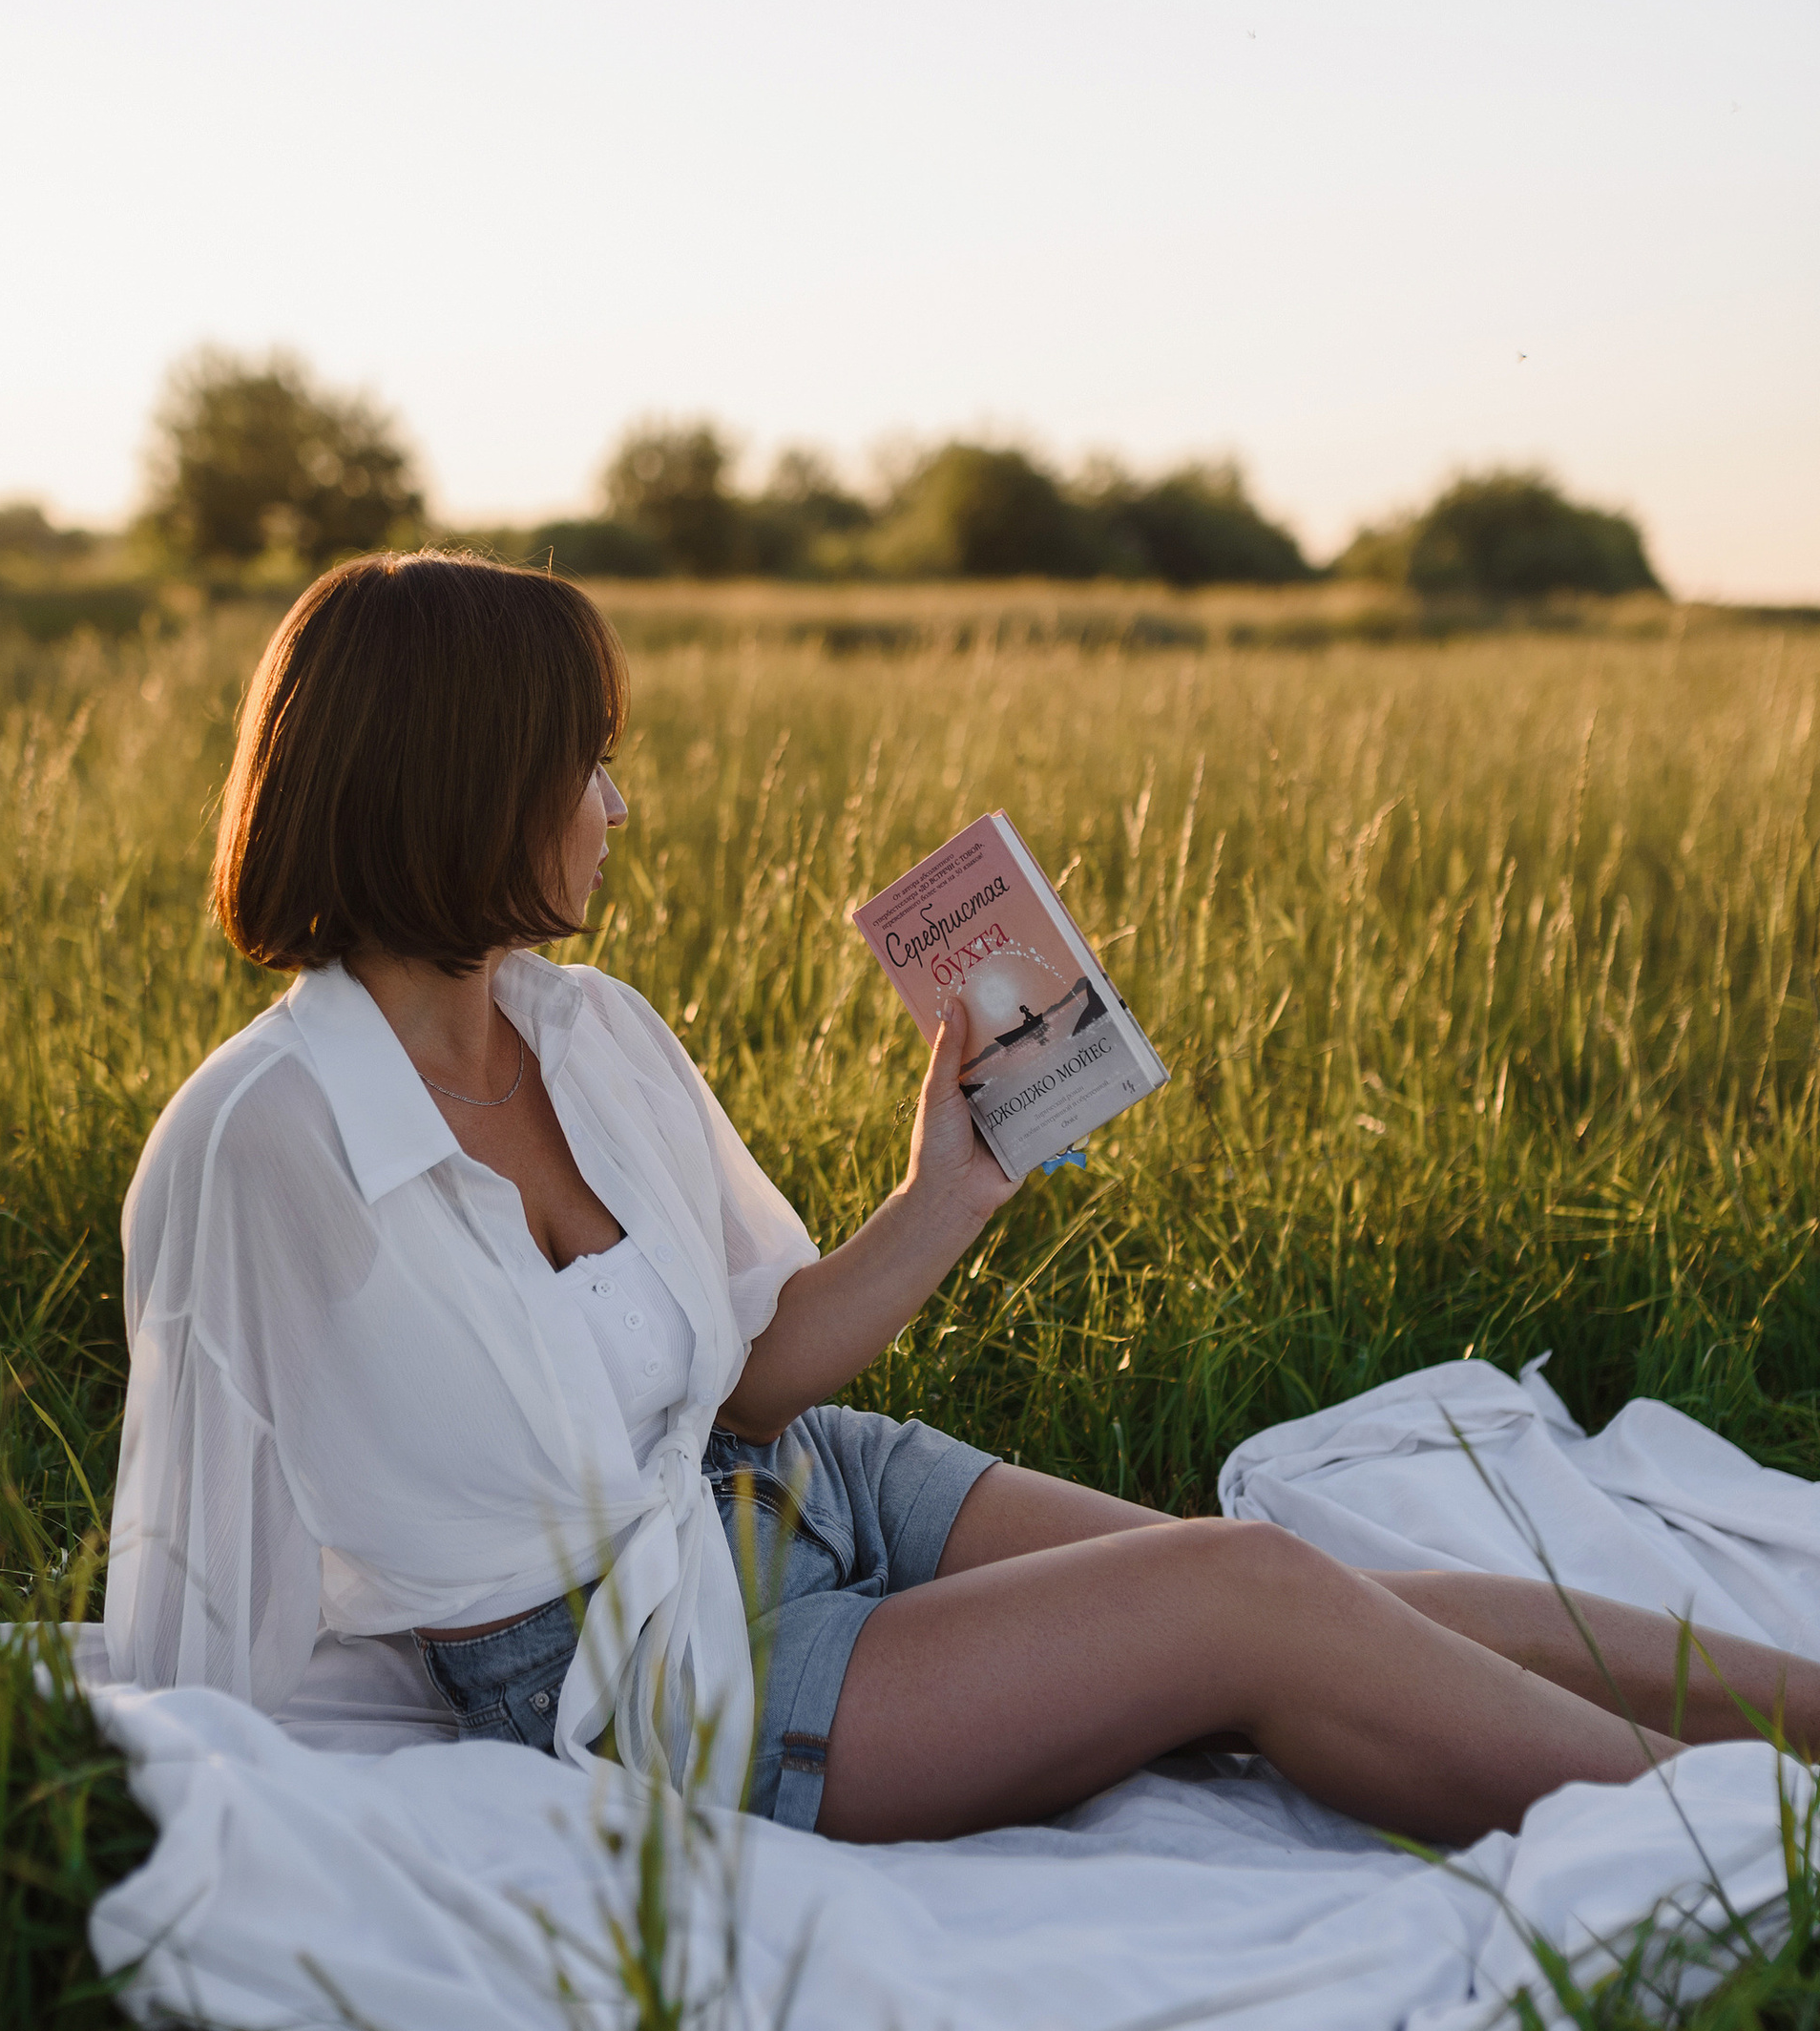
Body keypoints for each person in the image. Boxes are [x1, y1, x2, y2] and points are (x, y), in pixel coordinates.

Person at [103, 551, 1819, 1849]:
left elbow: (756, 1374)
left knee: (1336, 1587)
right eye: (585, 763)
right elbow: (198, 1525)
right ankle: (1763, 1853)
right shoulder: (259, 1136)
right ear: (465, 782)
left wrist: (953, 1186)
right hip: (646, 1672)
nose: (617, 804)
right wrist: (217, 1790)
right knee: (1248, 1600)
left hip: (791, 1480)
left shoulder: (590, 1032)